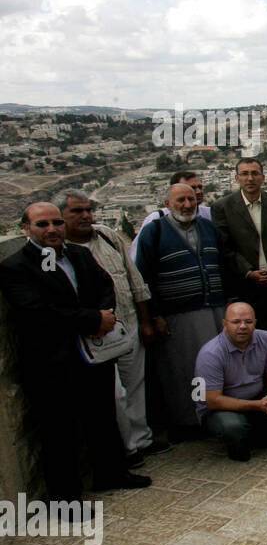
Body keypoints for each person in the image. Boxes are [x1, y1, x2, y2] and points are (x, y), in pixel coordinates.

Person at [0, 202, 150, 500]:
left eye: (56, 222)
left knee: (102, 417)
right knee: (59, 431)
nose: (52, 229)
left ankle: (110, 472)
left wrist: (103, 317)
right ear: (26, 228)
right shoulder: (16, 267)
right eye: (42, 224)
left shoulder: (78, 254)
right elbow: (37, 312)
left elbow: (105, 285)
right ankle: (65, 497)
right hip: (52, 363)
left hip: (94, 355)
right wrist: (92, 320)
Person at [58, 189, 170, 465]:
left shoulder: (107, 236)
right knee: (114, 393)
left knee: (135, 386)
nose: (85, 215)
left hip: (129, 324)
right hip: (96, 335)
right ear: (61, 215)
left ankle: (141, 440)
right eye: (77, 211)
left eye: (88, 210)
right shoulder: (59, 251)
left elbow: (134, 280)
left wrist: (145, 321)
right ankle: (125, 449)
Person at [133, 182, 225, 439]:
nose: (187, 205)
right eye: (180, 201)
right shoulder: (154, 231)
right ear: (167, 205)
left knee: (213, 366)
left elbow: (222, 264)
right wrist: (154, 316)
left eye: (191, 200)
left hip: (214, 309)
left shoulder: (208, 227)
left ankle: (216, 415)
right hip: (177, 315)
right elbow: (143, 278)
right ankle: (189, 421)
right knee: (185, 369)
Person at [193, 301, 267, 461]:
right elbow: (213, 400)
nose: (243, 326)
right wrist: (257, 406)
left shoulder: (266, 338)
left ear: (255, 323)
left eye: (248, 321)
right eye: (236, 322)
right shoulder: (211, 353)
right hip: (222, 407)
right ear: (225, 324)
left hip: (257, 396)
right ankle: (238, 447)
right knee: (232, 427)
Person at [210, 158, 267, 321]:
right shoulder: (222, 207)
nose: (250, 178)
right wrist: (248, 272)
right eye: (244, 174)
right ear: (236, 178)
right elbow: (225, 246)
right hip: (244, 285)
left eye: (254, 173)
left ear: (263, 177)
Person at [129, 170, 211, 261]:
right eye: (192, 188)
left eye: (200, 187)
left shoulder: (210, 214)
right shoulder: (157, 218)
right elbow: (136, 255)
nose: (198, 191)